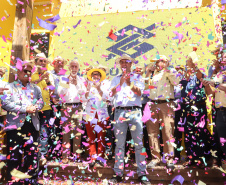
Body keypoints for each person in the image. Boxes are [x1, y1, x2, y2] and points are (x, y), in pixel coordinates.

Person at [108, 54, 150, 185]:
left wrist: (129, 83)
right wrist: (120, 83)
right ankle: (118, 173)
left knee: (139, 144)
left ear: (131, 64)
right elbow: (110, 94)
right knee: (119, 145)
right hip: (119, 111)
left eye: (127, 62)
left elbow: (139, 93)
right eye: (122, 62)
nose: (124, 64)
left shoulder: (138, 77)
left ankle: (142, 174)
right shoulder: (115, 79)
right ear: (120, 65)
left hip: (135, 111)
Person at [2, 60, 44, 185]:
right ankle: (14, 181)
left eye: (30, 71)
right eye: (25, 70)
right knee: (14, 153)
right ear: (18, 72)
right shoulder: (10, 86)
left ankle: (31, 179)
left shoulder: (36, 88)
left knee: (32, 154)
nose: (28, 73)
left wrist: (36, 107)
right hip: (15, 126)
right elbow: (6, 104)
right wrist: (25, 109)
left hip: (32, 125)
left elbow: (41, 101)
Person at [145, 55, 179, 170]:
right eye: (158, 61)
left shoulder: (170, 71)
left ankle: (169, 159)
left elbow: (176, 81)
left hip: (166, 104)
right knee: (152, 132)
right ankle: (155, 158)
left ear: (167, 63)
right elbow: (145, 88)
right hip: (152, 104)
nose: (159, 63)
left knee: (168, 131)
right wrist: (148, 73)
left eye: (162, 61)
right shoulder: (152, 74)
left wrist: (167, 70)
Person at [180, 54, 211, 168]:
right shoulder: (185, 75)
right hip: (187, 107)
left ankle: (201, 159)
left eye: (190, 61)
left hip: (199, 106)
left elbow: (202, 79)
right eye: (188, 61)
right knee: (188, 133)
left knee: (200, 133)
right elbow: (182, 87)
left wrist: (194, 65)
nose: (189, 63)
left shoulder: (200, 73)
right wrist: (186, 74)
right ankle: (191, 158)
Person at [201, 51, 226, 172]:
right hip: (220, 111)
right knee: (220, 137)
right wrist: (206, 84)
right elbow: (210, 93)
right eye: (223, 57)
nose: (223, 59)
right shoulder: (219, 74)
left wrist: (215, 83)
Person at [57, 60, 86, 164]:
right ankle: (65, 155)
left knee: (77, 131)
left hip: (78, 106)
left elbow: (83, 95)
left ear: (78, 68)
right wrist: (67, 84)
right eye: (72, 66)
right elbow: (60, 93)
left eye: (76, 67)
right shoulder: (63, 78)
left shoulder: (81, 79)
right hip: (66, 106)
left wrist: (77, 84)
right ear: (69, 68)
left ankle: (76, 155)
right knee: (66, 131)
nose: (74, 68)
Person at [84, 68, 112, 167]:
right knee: (91, 137)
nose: (95, 76)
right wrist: (87, 89)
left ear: (100, 76)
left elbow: (108, 98)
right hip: (90, 115)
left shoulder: (106, 85)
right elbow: (82, 99)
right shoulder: (87, 84)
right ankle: (92, 157)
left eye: (97, 75)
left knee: (100, 136)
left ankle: (100, 157)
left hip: (101, 115)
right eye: (94, 75)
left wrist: (99, 88)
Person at [31, 53, 55, 165]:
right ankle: (32, 154)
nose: (43, 63)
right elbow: (31, 85)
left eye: (44, 61)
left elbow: (53, 90)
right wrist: (41, 77)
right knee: (33, 131)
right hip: (33, 108)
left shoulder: (49, 75)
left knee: (44, 132)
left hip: (46, 108)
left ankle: (42, 155)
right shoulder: (31, 73)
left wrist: (48, 80)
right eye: (40, 61)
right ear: (36, 62)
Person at [49, 56, 67, 158]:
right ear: (54, 64)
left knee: (62, 127)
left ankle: (60, 151)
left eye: (62, 63)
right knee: (53, 127)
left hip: (64, 105)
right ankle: (52, 151)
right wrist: (52, 98)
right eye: (58, 62)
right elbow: (48, 86)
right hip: (52, 103)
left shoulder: (66, 75)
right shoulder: (50, 74)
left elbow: (67, 89)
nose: (60, 64)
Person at [97, 65, 114, 160]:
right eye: (99, 71)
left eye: (103, 71)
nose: (100, 73)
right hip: (94, 109)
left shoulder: (108, 83)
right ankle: (98, 151)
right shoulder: (91, 83)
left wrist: (101, 93)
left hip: (106, 108)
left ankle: (108, 151)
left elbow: (109, 97)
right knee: (96, 129)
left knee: (108, 130)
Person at [173, 65, 185, 160]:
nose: (179, 72)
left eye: (181, 70)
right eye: (177, 70)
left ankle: (178, 154)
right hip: (171, 108)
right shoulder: (171, 82)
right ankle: (173, 154)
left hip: (184, 109)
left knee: (180, 131)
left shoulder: (187, 82)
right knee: (172, 131)